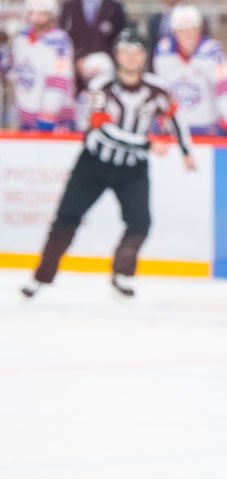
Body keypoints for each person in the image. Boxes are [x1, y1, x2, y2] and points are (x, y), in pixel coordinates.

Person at [20, 27, 194, 300]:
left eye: (137, 51)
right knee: (66, 219)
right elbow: (102, 129)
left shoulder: (156, 88)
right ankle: (40, 278)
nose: (132, 56)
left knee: (140, 222)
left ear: (144, 56)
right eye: (126, 51)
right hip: (94, 164)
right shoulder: (100, 86)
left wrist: (186, 150)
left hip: (133, 168)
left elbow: (175, 117)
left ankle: (122, 273)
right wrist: (146, 144)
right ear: (116, 55)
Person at [152, 5, 227, 136]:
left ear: (199, 29)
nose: (188, 35)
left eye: (192, 28)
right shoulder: (164, 51)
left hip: (208, 127)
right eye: (182, 30)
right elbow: (160, 88)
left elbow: (226, 86)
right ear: (174, 32)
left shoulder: (213, 53)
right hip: (175, 128)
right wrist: (161, 116)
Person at [11, 0, 75, 132]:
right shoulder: (21, 38)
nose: (35, 16)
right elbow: (18, 73)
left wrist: (47, 117)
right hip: (26, 118)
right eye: (32, 12)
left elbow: (59, 81)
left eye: (41, 13)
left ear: (51, 14)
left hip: (52, 122)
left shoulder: (59, 41)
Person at [58, 0, 126, 94]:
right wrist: (75, 63)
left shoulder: (115, 7)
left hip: (106, 77)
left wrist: (103, 63)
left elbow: (119, 41)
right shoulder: (68, 7)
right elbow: (63, 40)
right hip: (74, 77)